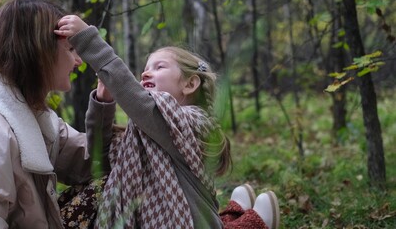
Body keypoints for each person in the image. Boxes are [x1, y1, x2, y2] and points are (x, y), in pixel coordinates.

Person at [55, 15, 280, 228]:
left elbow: (141, 105)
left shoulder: (189, 123)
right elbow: (100, 158)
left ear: (190, 85)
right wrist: (103, 104)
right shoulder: (143, 131)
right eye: (144, 69)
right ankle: (235, 214)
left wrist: (89, 40)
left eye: (159, 67)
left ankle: (254, 222)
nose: (145, 74)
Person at [0, 0, 114, 228]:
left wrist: (104, 104)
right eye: (70, 49)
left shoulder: (34, 115)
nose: (78, 60)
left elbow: (95, 161)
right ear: (38, 53)